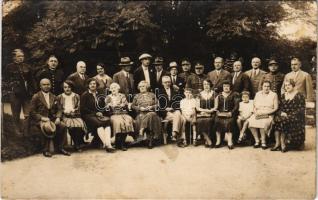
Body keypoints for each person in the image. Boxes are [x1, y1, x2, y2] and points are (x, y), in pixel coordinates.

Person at [29, 78, 71, 157]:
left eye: (48, 84)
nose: (46, 86)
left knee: (63, 126)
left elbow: (59, 109)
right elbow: (32, 111)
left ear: (50, 85)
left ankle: (61, 147)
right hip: (41, 119)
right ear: (40, 86)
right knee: (46, 127)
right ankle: (45, 150)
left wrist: (58, 117)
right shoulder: (36, 96)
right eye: (44, 85)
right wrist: (42, 118)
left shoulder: (54, 96)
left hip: (52, 118)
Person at [80, 78, 115, 153]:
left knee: (107, 122)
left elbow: (103, 106)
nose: (93, 85)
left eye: (94, 84)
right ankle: (107, 144)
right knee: (99, 124)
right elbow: (83, 109)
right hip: (89, 115)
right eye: (91, 84)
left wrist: (101, 112)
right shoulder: (85, 95)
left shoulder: (100, 94)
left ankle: (108, 144)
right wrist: (95, 113)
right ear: (88, 85)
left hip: (99, 115)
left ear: (96, 85)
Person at [6, 49, 36, 135]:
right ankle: (17, 132)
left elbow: (31, 80)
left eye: (22, 56)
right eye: (19, 56)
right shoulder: (9, 67)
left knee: (28, 114)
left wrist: (33, 91)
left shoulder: (27, 67)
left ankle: (26, 131)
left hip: (26, 94)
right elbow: (5, 81)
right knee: (16, 114)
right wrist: (10, 90)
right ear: (14, 57)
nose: (21, 58)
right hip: (15, 94)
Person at [272, 79, 305, 152]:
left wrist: (289, 115)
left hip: (296, 116)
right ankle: (277, 143)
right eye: (285, 85)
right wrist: (281, 113)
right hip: (284, 115)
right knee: (277, 119)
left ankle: (283, 144)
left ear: (293, 85)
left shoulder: (299, 95)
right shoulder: (283, 95)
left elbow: (301, 109)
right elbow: (280, 107)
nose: (287, 87)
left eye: (289, 85)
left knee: (283, 120)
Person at [56, 80, 87, 152]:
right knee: (71, 127)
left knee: (79, 126)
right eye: (65, 87)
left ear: (72, 88)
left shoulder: (76, 96)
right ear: (63, 88)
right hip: (65, 116)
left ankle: (77, 143)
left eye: (69, 87)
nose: (67, 89)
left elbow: (78, 107)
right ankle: (76, 145)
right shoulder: (59, 97)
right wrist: (64, 113)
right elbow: (59, 109)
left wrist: (74, 112)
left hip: (75, 115)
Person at [248, 81, 278, 149]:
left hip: (269, 113)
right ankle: (257, 140)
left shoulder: (274, 94)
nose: (266, 88)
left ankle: (263, 142)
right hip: (258, 112)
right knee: (251, 122)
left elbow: (276, 108)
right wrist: (255, 112)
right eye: (265, 86)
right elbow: (254, 105)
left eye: (268, 86)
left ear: (270, 87)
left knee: (263, 123)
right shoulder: (258, 94)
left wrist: (266, 113)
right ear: (262, 86)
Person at [132, 81, 162, 149]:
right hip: (141, 113)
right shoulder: (136, 96)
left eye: (143, 86)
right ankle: (150, 140)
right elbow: (133, 106)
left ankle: (142, 130)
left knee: (150, 115)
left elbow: (158, 104)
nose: (141, 88)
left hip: (152, 113)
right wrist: (140, 108)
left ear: (147, 87)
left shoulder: (152, 95)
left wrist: (151, 107)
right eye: (140, 87)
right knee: (145, 117)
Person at [105, 83, 134, 151]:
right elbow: (106, 107)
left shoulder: (122, 95)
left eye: (115, 87)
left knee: (128, 119)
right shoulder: (108, 97)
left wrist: (121, 105)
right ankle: (118, 143)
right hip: (114, 114)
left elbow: (125, 104)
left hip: (123, 113)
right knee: (118, 122)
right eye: (111, 88)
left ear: (118, 89)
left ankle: (122, 142)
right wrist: (110, 106)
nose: (113, 89)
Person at [214, 81, 240, 150]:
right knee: (217, 121)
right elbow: (216, 107)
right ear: (222, 87)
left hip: (231, 113)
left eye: (227, 86)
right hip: (221, 113)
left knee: (229, 122)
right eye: (224, 86)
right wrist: (217, 112)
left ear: (230, 87)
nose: (226, 88)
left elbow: (236, 106)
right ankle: (218, 141)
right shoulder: (219, 96)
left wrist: (231, 113)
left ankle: (230, 141)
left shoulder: (234, 95)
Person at [157, 75, 183, 143]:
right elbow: (158, 106)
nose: (167, 84)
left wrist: (172, 108)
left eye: (168, 82)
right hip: (165, 113)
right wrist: (166, 109)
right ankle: (177, 136)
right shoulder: (159, 92)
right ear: (162, 83)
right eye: (165, 82)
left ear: (171, 82)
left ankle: (174, 133)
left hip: (173, 110)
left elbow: (178, 102)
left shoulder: (175, 91)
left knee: (178, 113)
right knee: (180, 118)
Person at [196, 79, 216, 148]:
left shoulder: (214, 94)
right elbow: (197, 107)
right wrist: (203, 111)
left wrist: (210, 111)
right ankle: (208, 139)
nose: (206, 86)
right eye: (204, 84)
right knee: (199, 121)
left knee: (211, 120)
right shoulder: (199, 94)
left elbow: (216, 106)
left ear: (210, 85)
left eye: (207, 84)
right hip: (202, 113)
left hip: (212, 113)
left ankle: (207, 139)